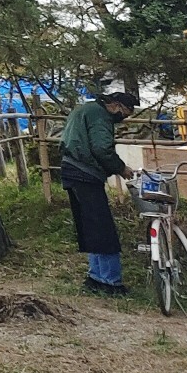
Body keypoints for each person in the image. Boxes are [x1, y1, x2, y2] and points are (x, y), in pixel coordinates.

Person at [61, 88, 136, 296]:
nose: (121, 120)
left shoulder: (86, 109)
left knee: (91, 227)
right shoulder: (100, 115)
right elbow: (102, 148)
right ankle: (112, 281)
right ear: (116, 106)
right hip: (86, 173)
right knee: (103, 228)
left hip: (71, 170)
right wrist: (121, 168)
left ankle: (95, 277)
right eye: (124, 114)